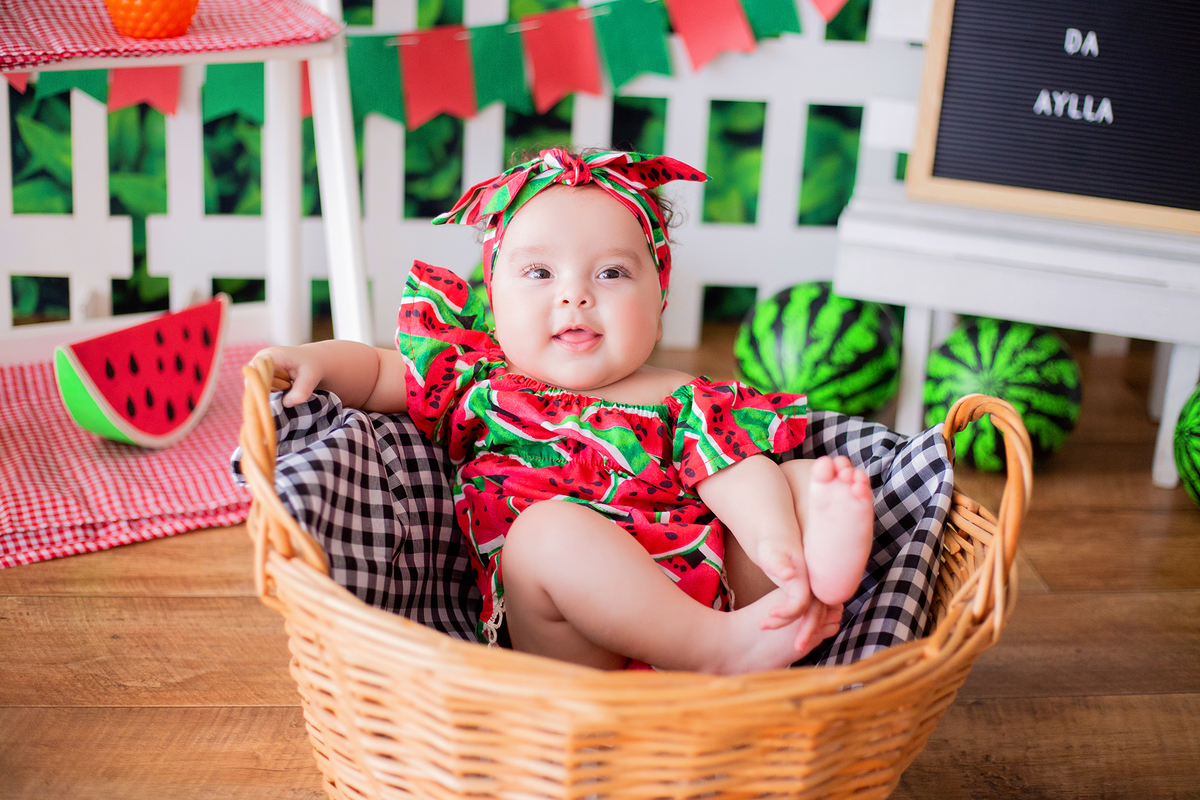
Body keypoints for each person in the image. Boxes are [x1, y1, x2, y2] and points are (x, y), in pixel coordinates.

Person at [258, 148, 874, 675]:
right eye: (539, 272)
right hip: (577, 648)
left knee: (791, 480)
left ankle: (807, 580)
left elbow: (733, 470)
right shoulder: (479, 380)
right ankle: (716, 650)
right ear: (494, 299)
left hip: (721, 598)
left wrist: (771, 540)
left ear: (659, 301)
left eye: (611, 272)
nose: (574, 294)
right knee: (546, 534)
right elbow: (378, 371)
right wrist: (316, 360)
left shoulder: (683, 395)